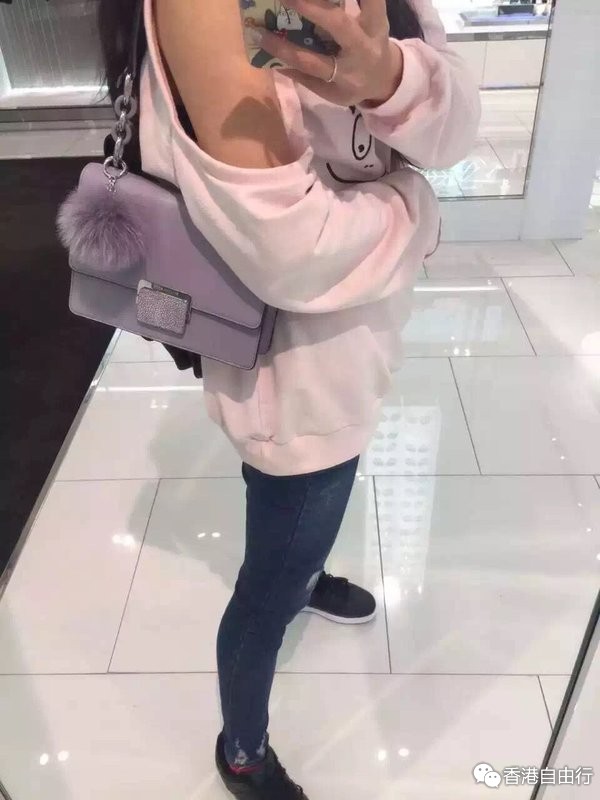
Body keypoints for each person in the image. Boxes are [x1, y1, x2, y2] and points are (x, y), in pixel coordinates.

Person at [99, 1, 480, 797]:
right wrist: (418, 206)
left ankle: (302, 577)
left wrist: (391, 76)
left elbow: (455, 133)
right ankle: (242, 749)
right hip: (297, 384)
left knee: (297, 537)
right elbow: (291, 250)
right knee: (267, 586)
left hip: (356, 346)